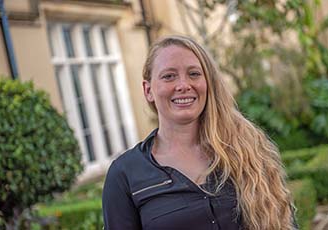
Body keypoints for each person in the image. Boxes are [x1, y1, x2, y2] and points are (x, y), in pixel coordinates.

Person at [102, 35, 297, 230]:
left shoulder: (247, 149)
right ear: (148, 90)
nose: (184, 85)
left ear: (208, 82)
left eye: (194, 74)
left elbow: (285, 222)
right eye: (169, 76)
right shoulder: (124, 174)